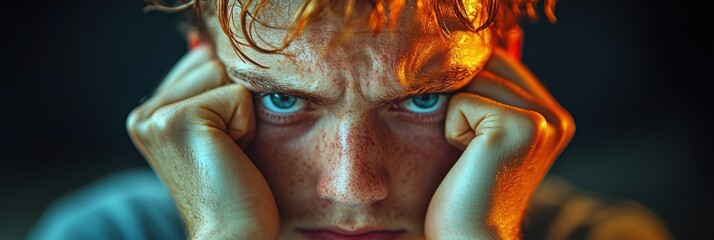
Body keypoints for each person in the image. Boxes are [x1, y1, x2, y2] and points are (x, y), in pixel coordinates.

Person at [27, 0, 672, 239]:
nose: (352, 187)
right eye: (282, 99)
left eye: (422, 99)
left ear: (504, 72)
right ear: (203, 71)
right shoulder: (105, 233)